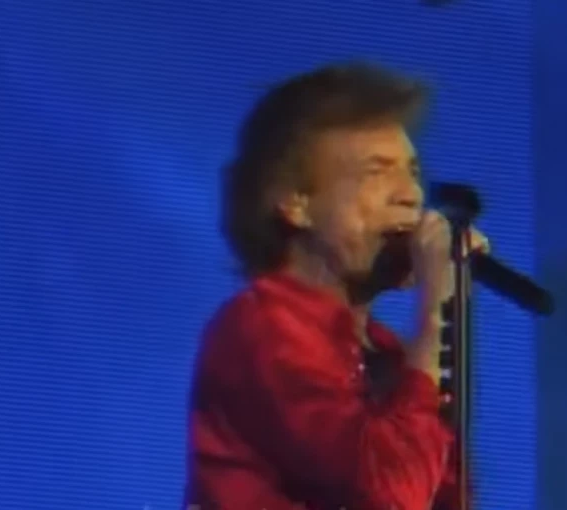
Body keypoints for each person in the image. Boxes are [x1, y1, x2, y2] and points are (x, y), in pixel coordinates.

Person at [185, 62, 487, 510]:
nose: (410, 195)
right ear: (295, 202)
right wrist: (433, 311)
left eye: (412, 172)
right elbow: (388, 494)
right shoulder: (263, 326)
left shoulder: (386, 354)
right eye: (376, 172)